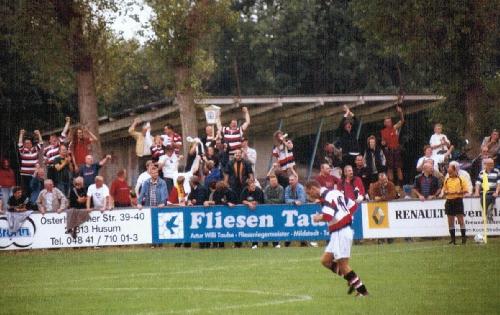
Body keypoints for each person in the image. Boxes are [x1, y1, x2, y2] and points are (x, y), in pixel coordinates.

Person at [305, 181, 369, 297]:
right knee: (325, 261)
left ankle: (362, 291)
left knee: (343, 265)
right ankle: (351, 279)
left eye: (309, 193)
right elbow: (353, 205)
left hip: (341, 231)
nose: (309, 196)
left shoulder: (326, 198)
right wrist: (347, 216)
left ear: (314, 188)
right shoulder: (334, 192)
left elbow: (328, 216)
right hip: (339, 232)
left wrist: (318, 218)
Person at [441, 163, 469, 244]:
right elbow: (444, 190)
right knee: (450, 220)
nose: (449, 174)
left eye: (451, 172)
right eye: (449, 173)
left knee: (460, 220)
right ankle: (453, 239)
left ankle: (463, 238)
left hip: (458, 200)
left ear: (455, 171)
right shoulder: (446, 180)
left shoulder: (461, 179)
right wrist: (445, 192)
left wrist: (459, 191)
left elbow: (466, 190)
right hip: (449, 201)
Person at [380, 105, 404, 184]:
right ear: (384, 123)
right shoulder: (383, 131)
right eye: (387, 122)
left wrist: (400, 112)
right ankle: (391, 184)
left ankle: (400, 185)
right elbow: (383, 142)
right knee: (389, 168)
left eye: (389, 121)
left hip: (396, 149)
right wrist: (383, 143)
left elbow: (402, 121)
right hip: (389, 151)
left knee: (398, 168)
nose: (388, 123)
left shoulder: (394, 127)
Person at [474, 158, 499, 223]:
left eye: (492, 163)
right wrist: (476, 192)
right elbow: (478, 183)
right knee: (483, 199)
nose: (492, 165)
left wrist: (496, 192)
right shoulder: (482, 172)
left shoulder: (497, 171)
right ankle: (487, 214)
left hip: (493, 192)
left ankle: (488, 212)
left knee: (491, 197)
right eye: (490, 164)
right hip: (484, 192)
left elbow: (499, 183)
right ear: (486, 165)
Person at [18, 129, 43, 194]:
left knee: (34, 188)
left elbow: (41, 143)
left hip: (34, 174)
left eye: (29, 143)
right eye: (26, 143)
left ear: (31, 143)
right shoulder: (23, 150)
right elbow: (20, 143)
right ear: (24, 144)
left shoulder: (35, 149)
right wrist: (21, 134)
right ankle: (28, 203)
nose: (27, 144)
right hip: (25, 174)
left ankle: (34, 203)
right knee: (27, 189)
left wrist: (38, 134)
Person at [263, 175, 284, 248]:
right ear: (269, 182)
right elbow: (265, 200)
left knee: (276, 226)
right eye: (272, 181)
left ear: (277, 181)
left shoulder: (281, 188)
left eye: (275, 181)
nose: (274, 182)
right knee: (266, 227)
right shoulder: (267, 188)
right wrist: (274, 201)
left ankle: (276, 243)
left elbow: (281, 200)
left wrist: (271, 201)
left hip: (277, 211)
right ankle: (265, 243)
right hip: (268, 211)